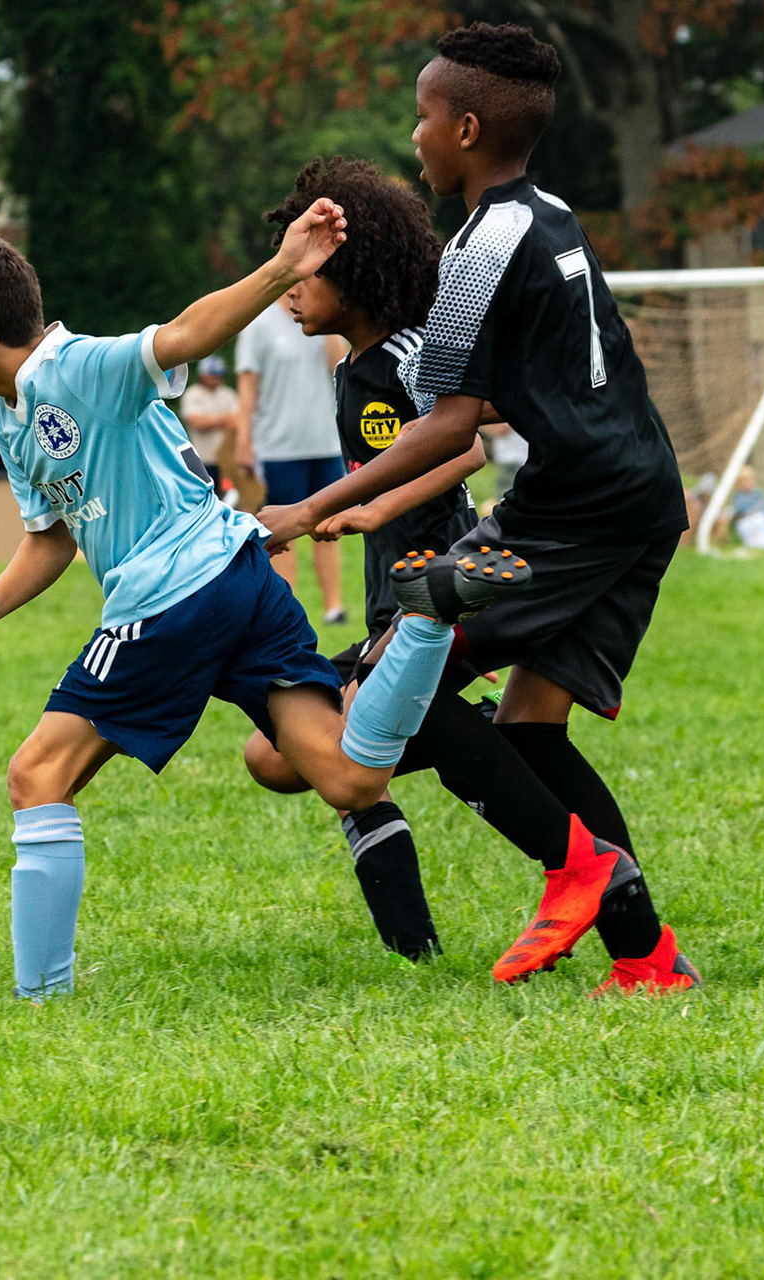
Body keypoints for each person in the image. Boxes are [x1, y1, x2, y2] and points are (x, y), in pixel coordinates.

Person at [0, 219, 531, 1001]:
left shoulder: (74, 368)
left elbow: (186, 335)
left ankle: (39, 1002)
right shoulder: (5, 411)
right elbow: (52, 537)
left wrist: (281, 269)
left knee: (37, 773)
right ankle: (426, 620)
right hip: (241, 576)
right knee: (349, 777)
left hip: (173, 596)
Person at [261, 24, 699, 994]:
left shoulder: (478, 245)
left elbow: (451, 424)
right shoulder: (553, 215)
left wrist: (311, 507)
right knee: (529, 727)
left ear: (464, 128)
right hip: (642, 492)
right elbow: (524, 389)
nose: (413, 135)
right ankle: (648, 960)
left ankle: (577, 869)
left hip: (571, 509)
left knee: (397, 681)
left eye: (422, 116)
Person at [241, 156, 486, 959]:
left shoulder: (406, 357)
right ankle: (476, 738)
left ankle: (415, 946)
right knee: (276, 755)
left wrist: (368, 508)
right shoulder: (353, 366)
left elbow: (467, 447)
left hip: (436, 598)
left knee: (332, 753)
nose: (290, 289)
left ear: (355, 274)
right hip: (392, 603)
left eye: (305, 274)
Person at [236, 255, 350, 625]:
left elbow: (340, 368)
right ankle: (287, 607)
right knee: (283, 530)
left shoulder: (325, 321)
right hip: (279, 448)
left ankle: (334, 607)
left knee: (328, 528)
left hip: (326, 442)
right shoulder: (259, 325)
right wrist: (243, 441)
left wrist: (329, 319)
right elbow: (248, 389)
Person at [177, 355, 240, 497]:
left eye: (219, 375)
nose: (216, 378)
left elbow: (237, 421)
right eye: (213, 375)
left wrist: (210, 421)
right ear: (203, 375)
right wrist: (224, 419)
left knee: (230, 499)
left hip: (228, 460)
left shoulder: (227, 394)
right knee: (205, 496)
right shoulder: (193, 394)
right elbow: (197, 423)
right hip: (203, 459)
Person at [729, 465, 764, 550]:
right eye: (745, 480)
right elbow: (738, 511)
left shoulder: (759, 493)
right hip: (746, 521)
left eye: (750, 480)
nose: (748, 482)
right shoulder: (738, 495)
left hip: (761, 519)